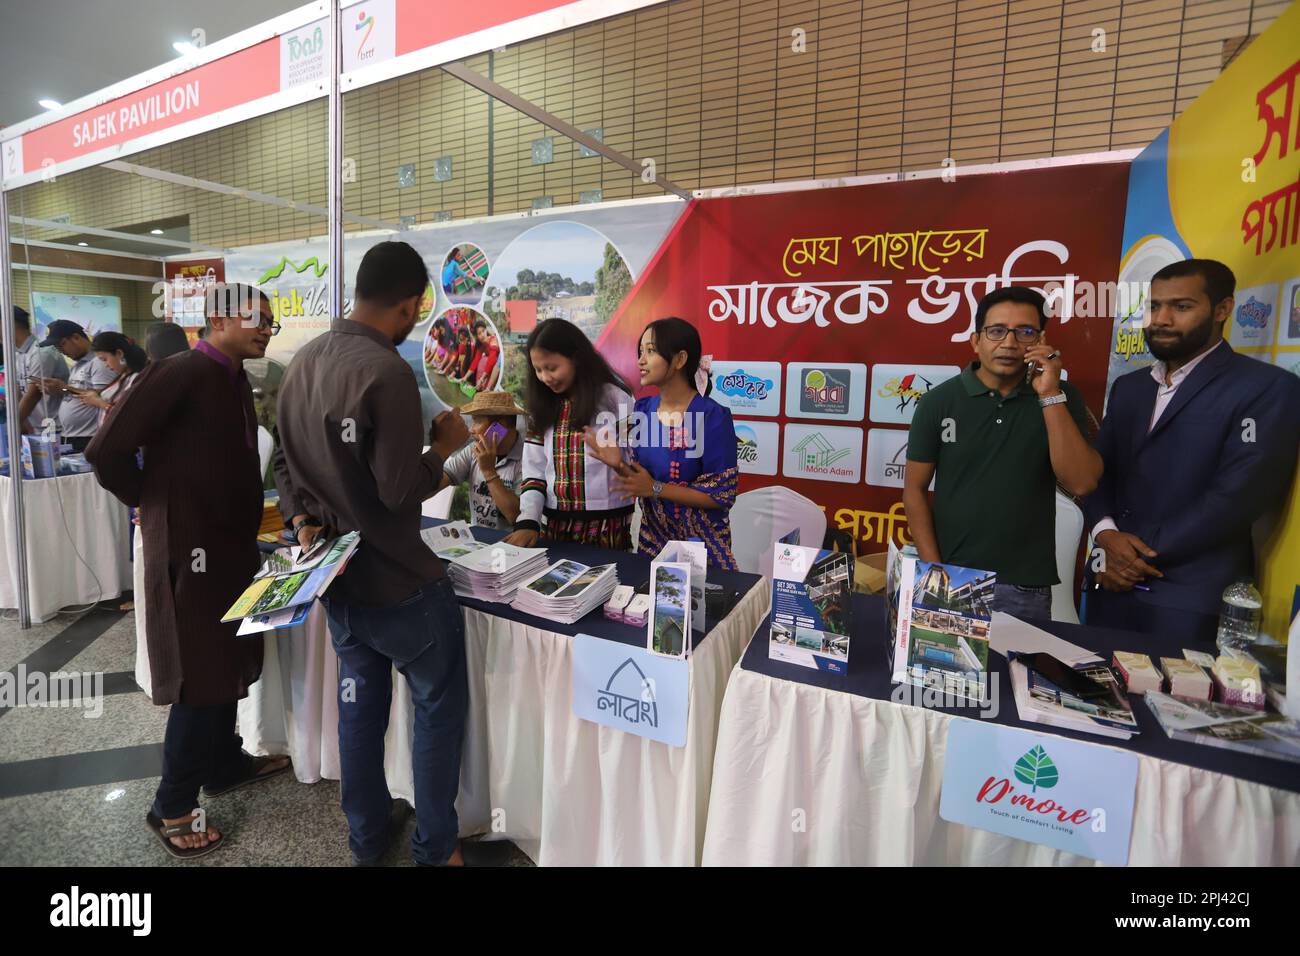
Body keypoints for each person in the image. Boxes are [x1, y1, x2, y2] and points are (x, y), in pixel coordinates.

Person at [273, 240, 472, 867]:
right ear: (412, 304)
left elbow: (283, 461)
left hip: (340, 581)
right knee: (436, 710)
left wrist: (302, 518)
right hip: (402, 583)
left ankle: (365, 838)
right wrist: (444, 448)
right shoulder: (387, 374)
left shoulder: (302, 362)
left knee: (358, 703)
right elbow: (399, 491)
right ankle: (435, 849)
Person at [86, 283, 290, 860]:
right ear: (219, 317)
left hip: (227, 550)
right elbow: (106, 451)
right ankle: (171, 805)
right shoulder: (178, 371)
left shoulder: (232, 377)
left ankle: (223, 763)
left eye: (271, 324)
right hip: (190, 554)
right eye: (258, 319)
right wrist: (156, 506)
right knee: (199, 677)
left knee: (225, 660)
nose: (265, 330)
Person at [1084, 259, 1300, 649]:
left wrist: (1129, 555)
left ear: (1223, 310)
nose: (1161, 319)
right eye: (1154, 307)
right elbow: (1097, 473)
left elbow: (1236, 499)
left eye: (1181, 307)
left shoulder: (1267, 389)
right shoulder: (1130, 387)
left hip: (1188, 600)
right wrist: (1106, 536)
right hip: (1109, 587)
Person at [904, 286, 1101, 621]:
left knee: (1014, 674)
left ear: (1041, 340)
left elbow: (1082, 482)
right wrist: (934, 569)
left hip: (1025, 587)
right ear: (975, 341)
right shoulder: (939, 402)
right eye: (996, 331)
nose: (1009, 344)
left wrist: (1049, 394)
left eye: (1024, 332)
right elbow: (914, 490)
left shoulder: (1062, 396)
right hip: (952, 576)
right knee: (944, 673)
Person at [584, 317, 739, 569]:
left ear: (679, 359)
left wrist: (656, 488)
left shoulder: (712, 416)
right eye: (640, 351)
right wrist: (618, 465)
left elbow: (720, 495)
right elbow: (641, 482)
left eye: (651, 351)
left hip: (702, 551)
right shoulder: (642, 410)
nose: (640, 360)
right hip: (652, 545)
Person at [504, 318, 635, 550]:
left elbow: (640, 467)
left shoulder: (617, 400)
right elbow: (534, 473)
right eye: (538, 370)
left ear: (576, 358)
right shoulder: (541, 410)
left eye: (552, 368)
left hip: (608, 529)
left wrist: (620, 464)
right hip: (554, 530)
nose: (545, 377)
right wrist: (528, 520)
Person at [437, 390, 525, 530]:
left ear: (499, 427)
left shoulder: (527, 458)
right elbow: (438, 481)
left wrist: (489, 471)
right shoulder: (474, 450)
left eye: (477, 421)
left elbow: (516, 516)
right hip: (478, 541)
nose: (471, 429)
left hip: (511, 547)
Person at [37, 319, 116, 452]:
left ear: (76, 337)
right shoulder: (78, 365)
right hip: (74, 436)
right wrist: (60, 390)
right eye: (56, 347)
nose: (60, 350)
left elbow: (103, 397)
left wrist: (64, 388)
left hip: (90, 437)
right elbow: (78, 393)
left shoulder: (99, 363)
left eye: (62, 344)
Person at [4, 306, 68, 435]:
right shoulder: (18, 354)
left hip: (53, 427)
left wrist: (12, 426)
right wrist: (20, 424)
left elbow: (34, 394)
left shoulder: (42, 352)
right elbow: (17, 391)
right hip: (36, 428)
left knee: (51, 455)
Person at [79, 331, 148, 427]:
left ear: (119, 354)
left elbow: (129, 415)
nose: (106, 365)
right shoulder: (123, 376)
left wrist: (99, 403)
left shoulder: (136, 378)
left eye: (104, 359)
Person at [469, 319, 501, 391]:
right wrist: (464, 378)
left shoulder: (493, 340)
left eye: (483, 331)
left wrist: (482, 378)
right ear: (477, 336)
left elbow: (492, 360)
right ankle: (481, 386)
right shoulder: (482, 346)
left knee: (486, 360)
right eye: (479, 333)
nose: (482, 335)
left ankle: (488, 388)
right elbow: (475, 362)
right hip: (490, 369)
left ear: (486, 330)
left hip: (497, 367)